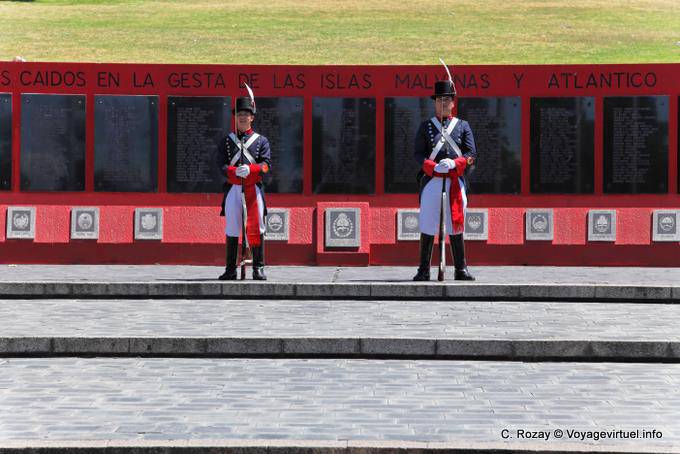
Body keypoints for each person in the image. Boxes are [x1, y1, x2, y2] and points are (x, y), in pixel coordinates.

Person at [413, 79, 477, 281]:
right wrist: (432, 167)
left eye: (446, 100)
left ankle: (461, 269)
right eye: (439, 99)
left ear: (452, 103)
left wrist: (456, 163)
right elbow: (418, 154)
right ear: (435, 102)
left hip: (454, 180)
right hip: (432, 180)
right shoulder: (426, 127)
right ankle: (423, 270)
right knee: (428, 223)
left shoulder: (463, 126)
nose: (443, 103)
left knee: (456, 223)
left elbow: (471, 153)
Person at [217, 96, 271, 281]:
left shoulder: (261, 141)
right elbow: (221, 165)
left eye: (246, 114)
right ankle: (230, 269)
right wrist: (233, 172)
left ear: (252, 118)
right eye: (239, 114)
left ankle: (258, 267)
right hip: (233, 188)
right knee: (232, 227)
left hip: (253, 188)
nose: (242, 117)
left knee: (258, 227)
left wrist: (251, 169)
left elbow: (266, 166)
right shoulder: (227, 141)